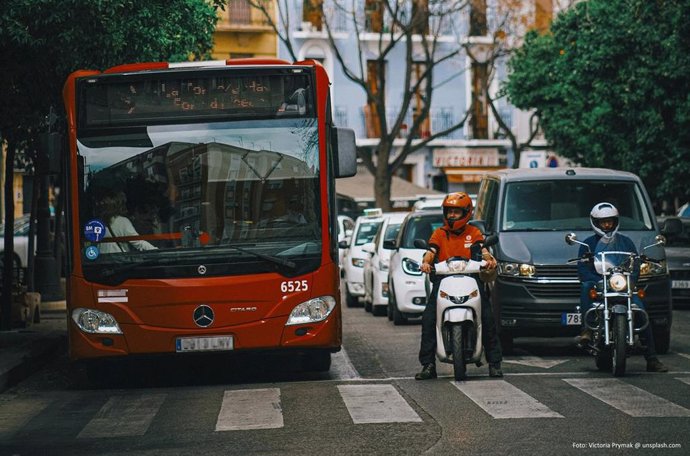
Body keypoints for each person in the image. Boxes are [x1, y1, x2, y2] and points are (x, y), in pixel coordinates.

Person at [415, 192, 504, 380]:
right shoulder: (439, 233)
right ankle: (428, 365)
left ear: (466, 212)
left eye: (456, 212)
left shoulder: (474, 233)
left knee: (487, 319)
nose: (452, 216)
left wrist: (489, 261)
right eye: (449, 212)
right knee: (429, 319)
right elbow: (430, 252)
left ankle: (495, 364)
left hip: (472, 279)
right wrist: (426, 262)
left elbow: (483, 250)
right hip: (443, 280)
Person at [577, 202, 667, 373]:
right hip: (601, 286)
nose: (607, 225)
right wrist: (596, 280)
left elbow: (635, 264)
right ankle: (587, 330)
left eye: (610, 221)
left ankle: (652, 359)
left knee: (640, 310)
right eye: (603, 222)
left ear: (615, 221)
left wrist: (632, 280)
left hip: (622, 286)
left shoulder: (626, 242)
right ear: (595, 222)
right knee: (586, 286)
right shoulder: (588, 244)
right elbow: (582, 269)